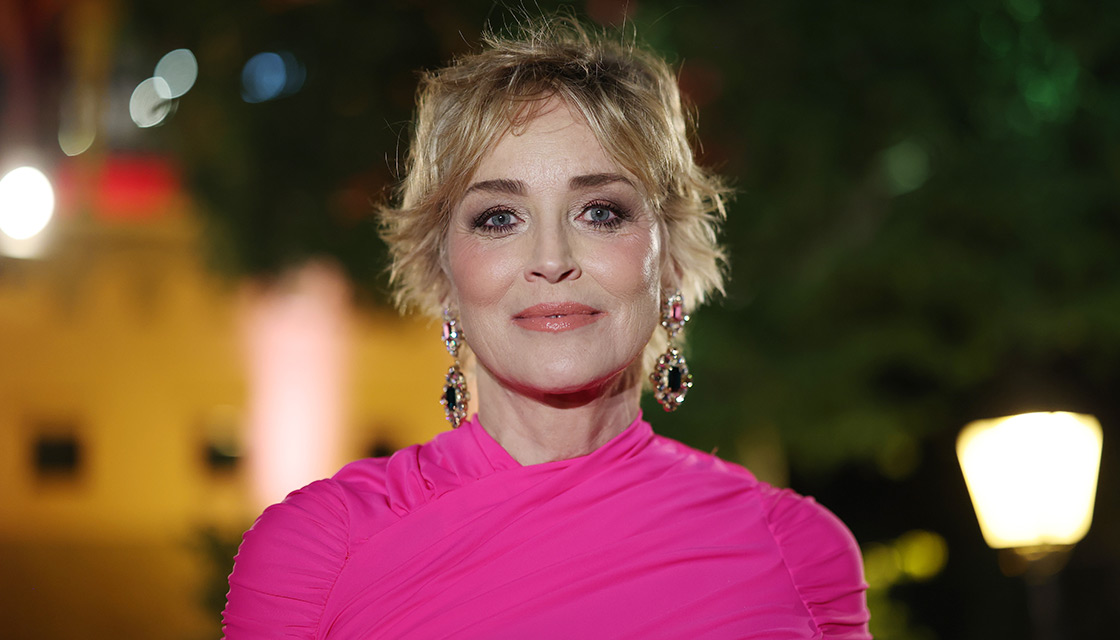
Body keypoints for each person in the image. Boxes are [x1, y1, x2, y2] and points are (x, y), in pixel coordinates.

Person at [222, 18, 870, 639]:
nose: (552, 259)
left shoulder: (798, 551)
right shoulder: (316, 550)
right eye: (500, 218)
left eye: (600, 211)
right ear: (442, 270)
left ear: (669, 259)